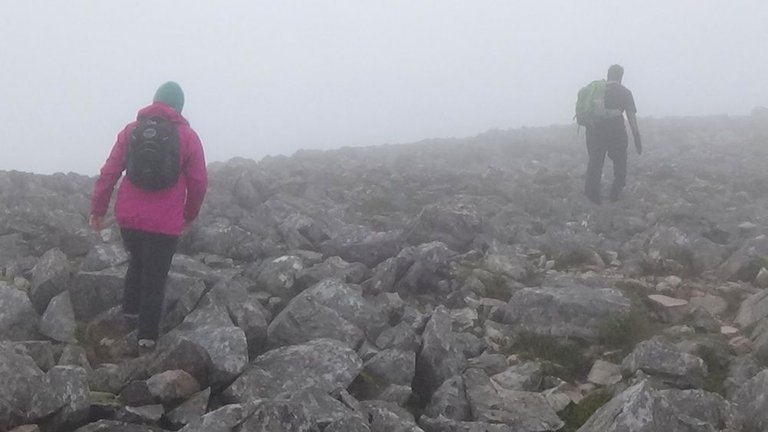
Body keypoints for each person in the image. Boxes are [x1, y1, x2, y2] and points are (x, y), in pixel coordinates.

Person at [90, 81, 207, 353]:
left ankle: (130, 315)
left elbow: (109, 173)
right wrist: (189, 215)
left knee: (136, 263)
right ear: (179, 107)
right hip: (165, 223)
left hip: (129, 218)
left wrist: (98, 210)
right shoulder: (188, 137)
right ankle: (147, 337)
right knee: (155, 276)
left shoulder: (132, 131)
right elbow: (199, 182)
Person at [584, 64, 642, 204]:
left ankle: (592, 197)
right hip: (616, 131)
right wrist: (637, 139)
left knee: (595, 162)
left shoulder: (596, 90)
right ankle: (614, 194)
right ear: (621, 77)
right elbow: (631, 118)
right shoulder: (625, 92)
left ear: (608, 74)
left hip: (594, 130)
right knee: (620, 161)